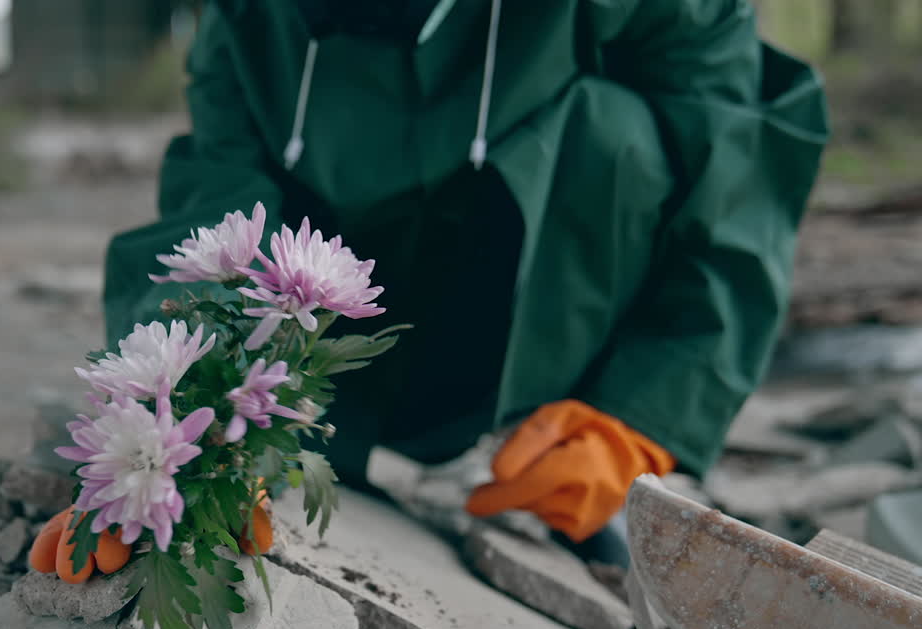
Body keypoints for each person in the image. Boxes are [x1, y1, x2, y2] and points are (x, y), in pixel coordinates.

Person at [101, 0, 828, 561]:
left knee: (623, 132)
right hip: (331, 363)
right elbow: (208, 219)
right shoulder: (243, 21)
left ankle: (586, 443)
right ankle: (293, 437)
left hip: (534, 319)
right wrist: (162, 431)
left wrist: (646, 409)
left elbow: (736, 176)